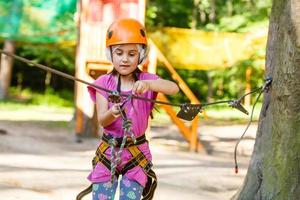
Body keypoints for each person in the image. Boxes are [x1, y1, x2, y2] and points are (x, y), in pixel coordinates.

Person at [78, 18, 179, 200]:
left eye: (132, 54)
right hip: (108, 152)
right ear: (111, 55)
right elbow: (102, 120)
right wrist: (112, 113)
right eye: (119, 53)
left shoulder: (146, 80)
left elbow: (173, 88)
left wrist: (148, 84)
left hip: (136, 153)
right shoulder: (103, 83)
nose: (125, 59)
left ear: (140, 56)